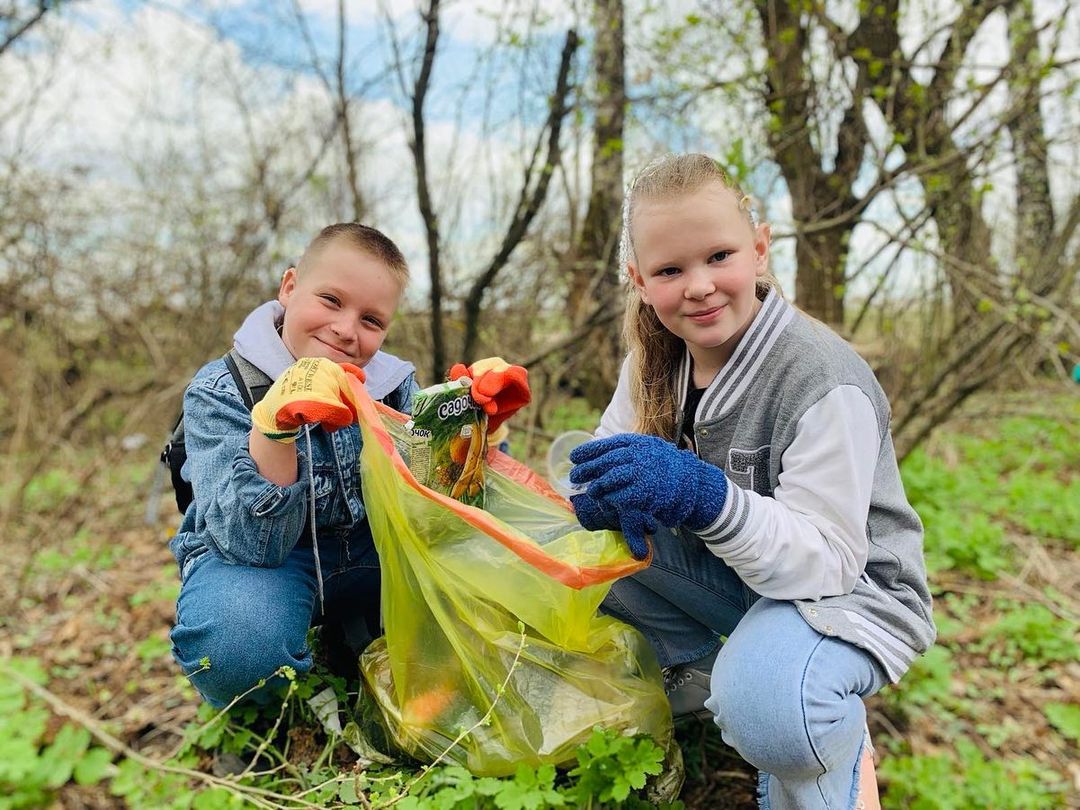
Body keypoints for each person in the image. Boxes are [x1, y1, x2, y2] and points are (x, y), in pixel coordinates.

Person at [567, 154, 936, 809]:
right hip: (744, 579)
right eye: (670, 270)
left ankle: (812, 715)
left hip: (849, 592)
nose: (700, 286)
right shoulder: (652, 363)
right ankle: (699, 687)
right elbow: (605, 452)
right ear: (640, 280)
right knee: (579, 557)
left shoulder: (821, 378)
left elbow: (827, 562)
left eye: (719, 256)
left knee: (771, 712)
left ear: (759, 248)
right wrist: (596, 499)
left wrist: (705, 497)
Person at [169, 223, 419, 707]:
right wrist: (273, 427)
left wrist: (478, 424)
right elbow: (249, 545)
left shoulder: (393, 384)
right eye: (330, 300)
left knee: (472, 591)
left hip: (368, 552)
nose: (346, 330)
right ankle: (261, 705)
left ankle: (356, 628)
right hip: (269, 560)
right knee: (237, 650)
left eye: (371, 320)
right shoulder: (221, 390)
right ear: (289, 288)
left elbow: (430, 506)